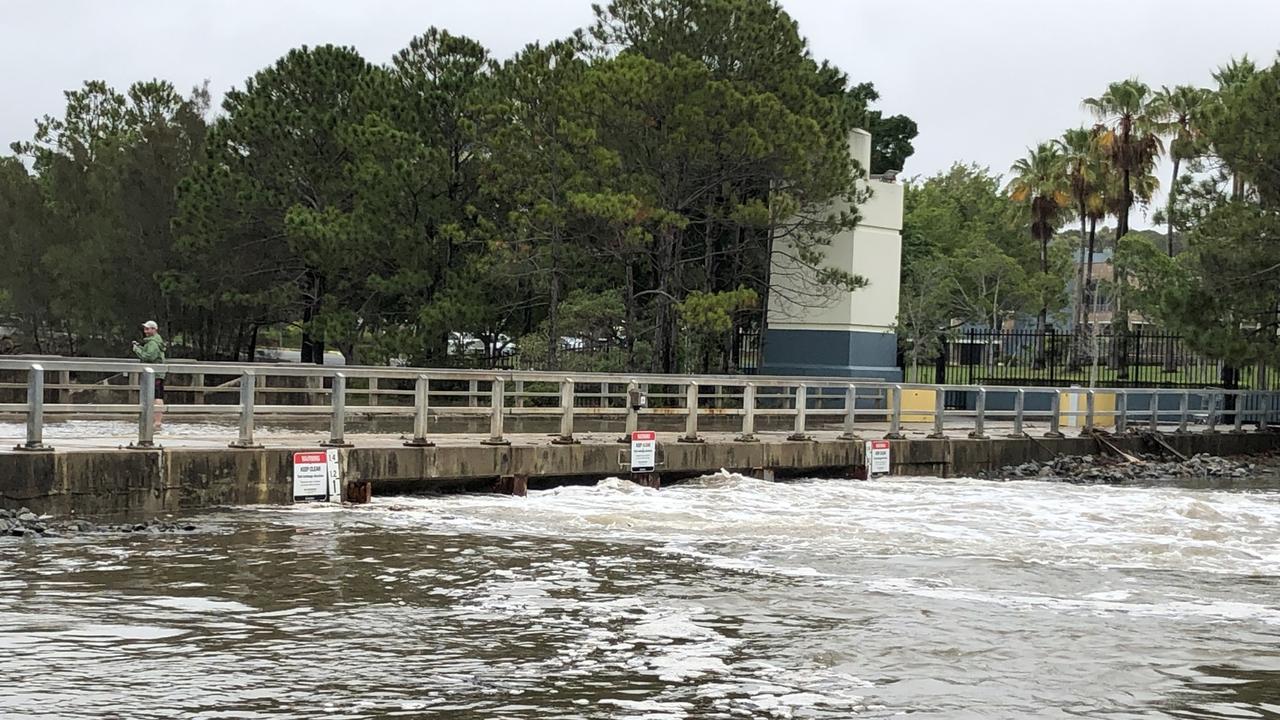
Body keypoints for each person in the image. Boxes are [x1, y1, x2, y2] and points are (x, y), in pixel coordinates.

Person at [132, 320, 167, 431]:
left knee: (156, 397)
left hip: (155, 374)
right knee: (156, 397)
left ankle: (157, 422)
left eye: (148, 329)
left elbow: (149, 357)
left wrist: (137, 350)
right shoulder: (153, 342)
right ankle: (155, 421)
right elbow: (150, 353)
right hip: (156, 373)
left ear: (154, 330)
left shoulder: (153, 343)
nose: (145, 331)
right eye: (145, 329)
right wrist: (140, 348)